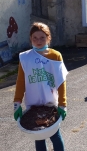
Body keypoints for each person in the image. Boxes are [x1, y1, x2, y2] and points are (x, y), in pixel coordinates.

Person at [13, 22, 68, 151]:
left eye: (42, 37)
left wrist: (62, 104)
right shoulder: (25, 58)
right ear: (30, 39)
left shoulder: (55, 55)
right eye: (35, 38)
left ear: (48, 38)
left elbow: (61, 81)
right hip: (33, 106)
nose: (38, 41)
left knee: (55, 135)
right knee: (38, 137)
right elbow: (21, 82)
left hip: (50, 105)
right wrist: (17, 103)